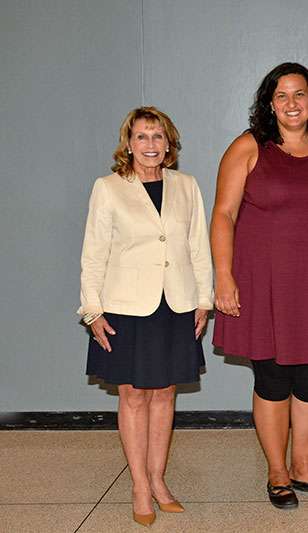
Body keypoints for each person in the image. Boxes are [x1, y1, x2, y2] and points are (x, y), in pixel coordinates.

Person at [210, 63, 308, 510]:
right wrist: (224, 275)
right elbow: (223, 214)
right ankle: (277, 471)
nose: (291, 103)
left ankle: (304, 466)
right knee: (273, 378)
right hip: (264, 283)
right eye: (282, 96)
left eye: (300, 94)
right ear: (269, 103)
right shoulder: (248, 147)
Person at [78, 107, 213, 526]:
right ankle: (139, 485)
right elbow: (94, 252)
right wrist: (91, 310)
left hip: (176, 304)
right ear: (128, 143)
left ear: (169, 144)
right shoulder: (108, 187)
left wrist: (203, 300)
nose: (150, 144)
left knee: (167, 392)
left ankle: (158, 479)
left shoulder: (187, 186)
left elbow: (198, 248)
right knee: (133, 395)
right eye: (141, 137)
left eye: (158, 137)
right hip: (125, 308)